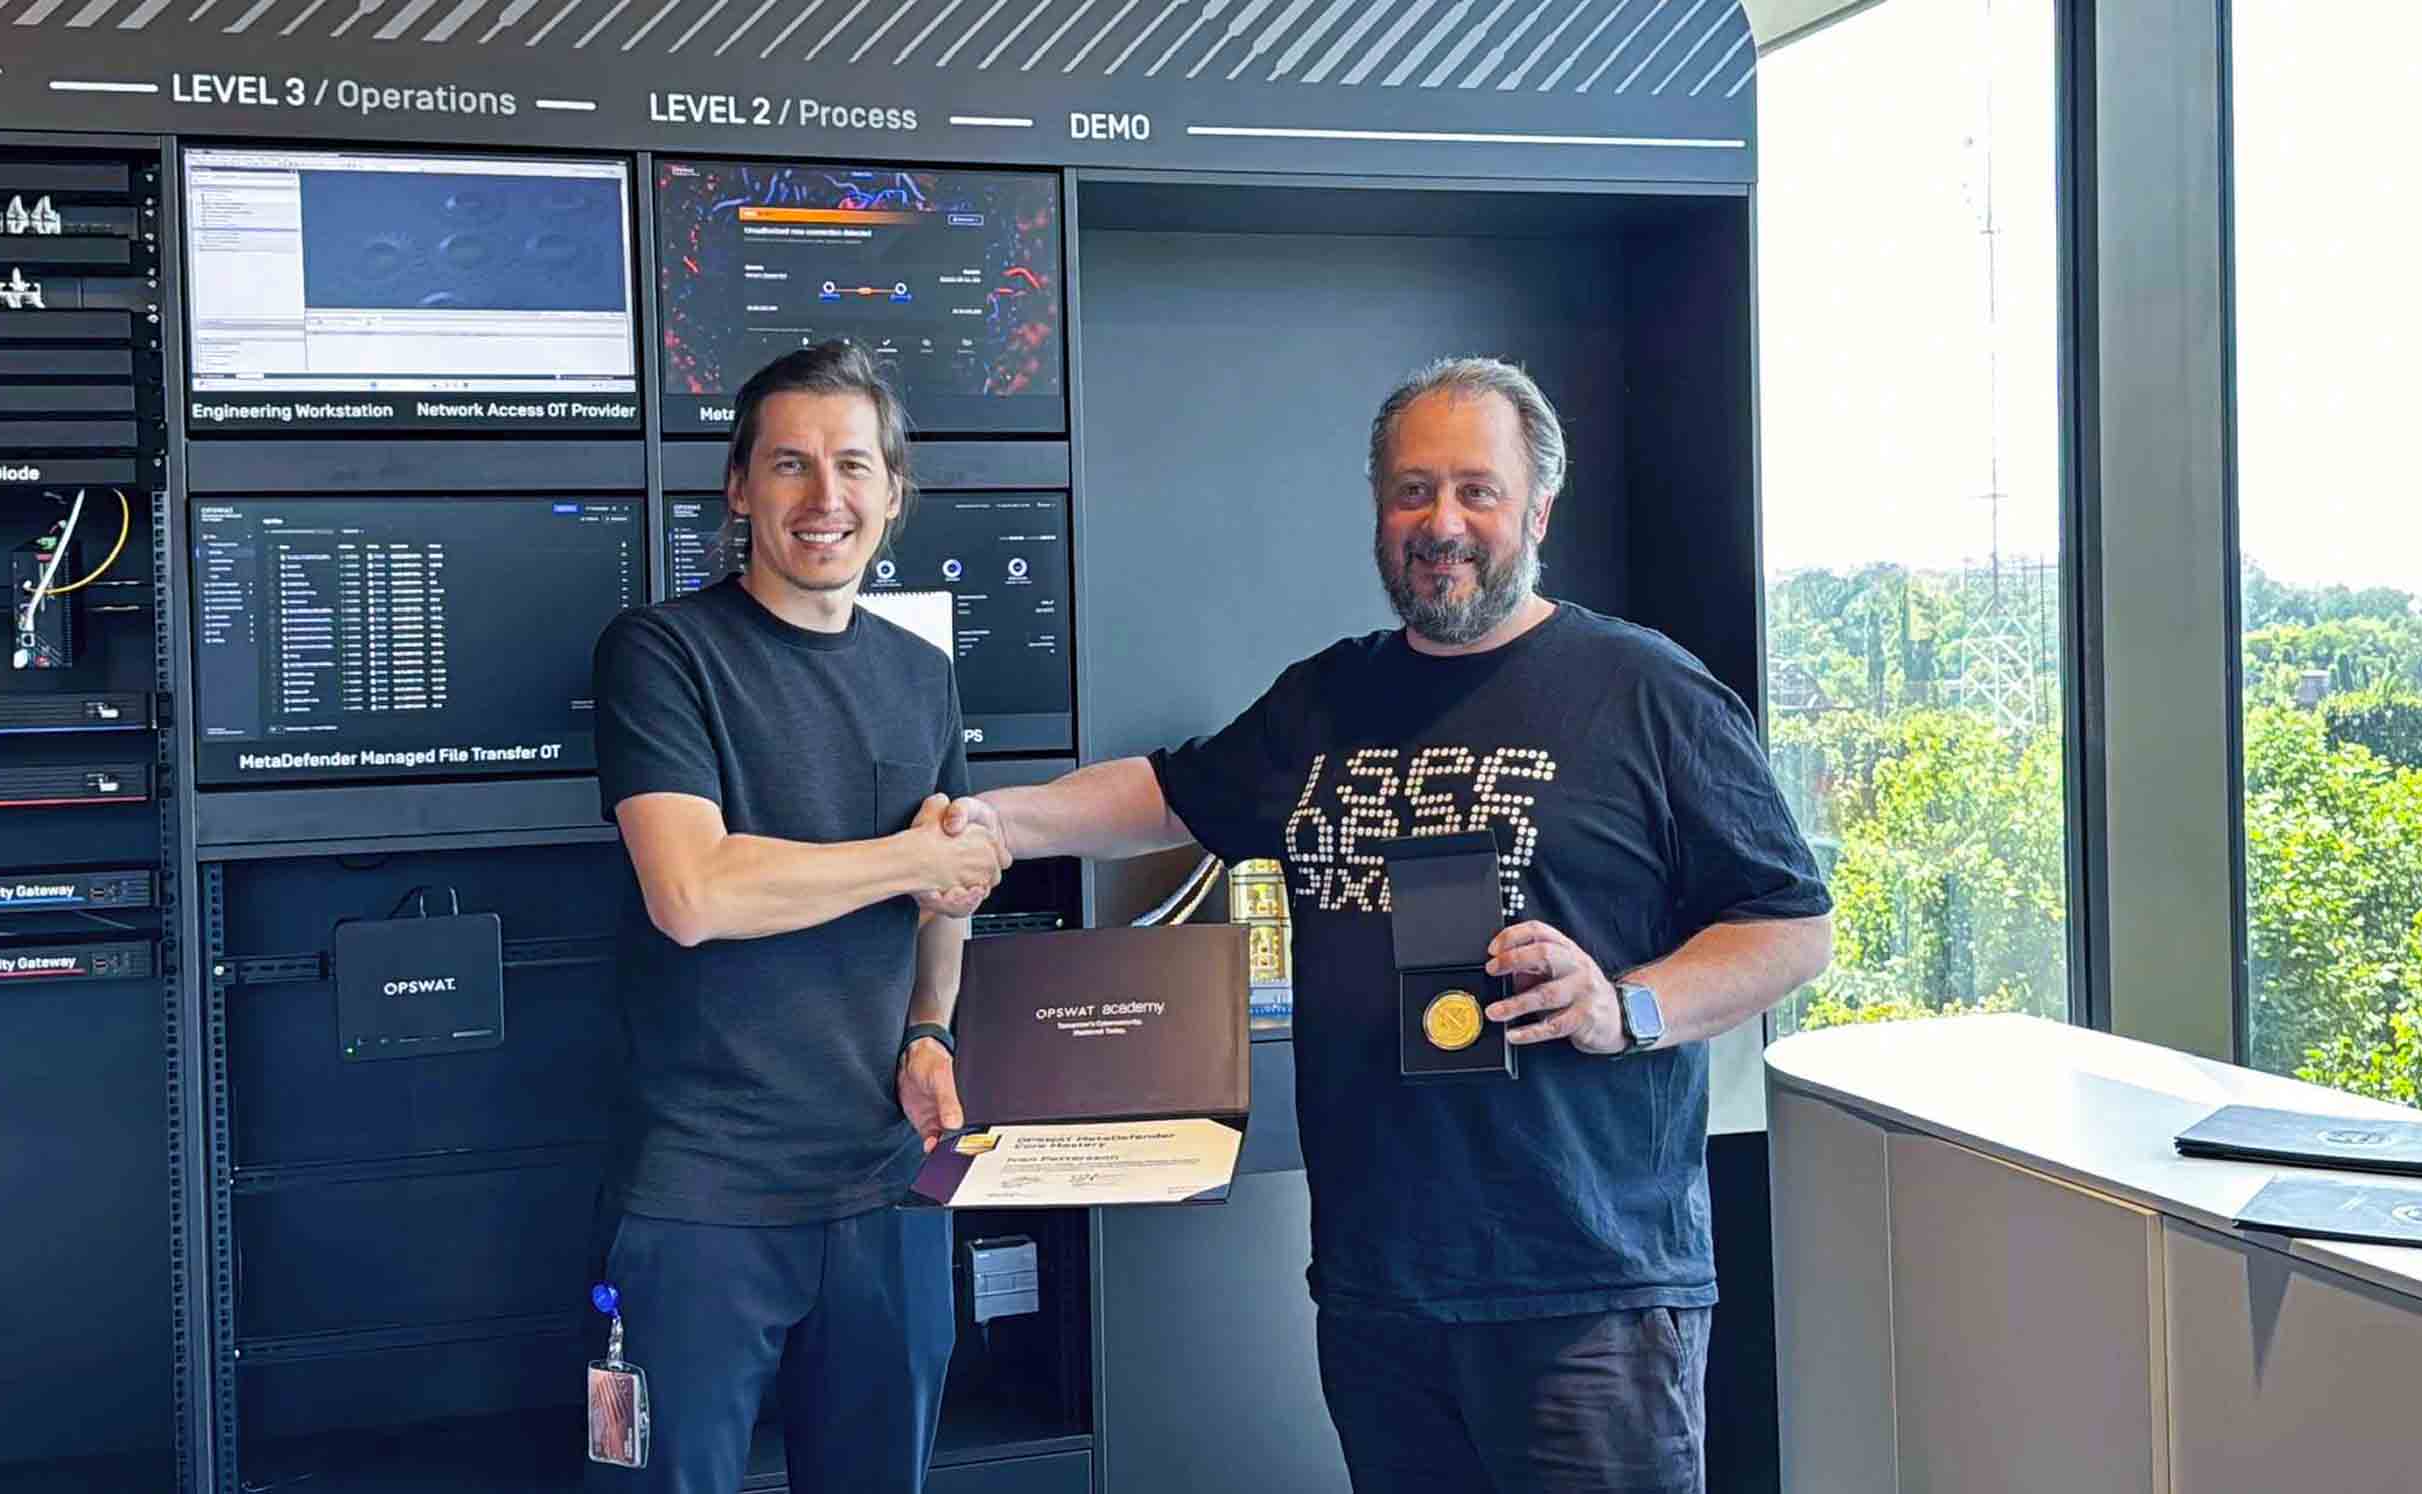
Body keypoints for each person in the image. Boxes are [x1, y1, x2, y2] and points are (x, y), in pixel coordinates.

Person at [954, 357, 1833, 1493]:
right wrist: (988, 823)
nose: (1442, 523)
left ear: (1537, 509)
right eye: (1412, 491)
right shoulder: (1326, 698)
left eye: (1476, 489)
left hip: (1586, 1293)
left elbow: (1791, 925)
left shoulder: (1646, 692)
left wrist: (1628, 1006)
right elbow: (1170, 795)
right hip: (1380, 1290)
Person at [586, 340, 1008, 1494]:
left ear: (892, 493)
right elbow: (693, 893)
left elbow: (943, 892)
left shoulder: (921, 676)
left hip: (889, 1185)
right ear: (738, 486)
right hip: (699, 1197)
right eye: (790, 465)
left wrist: (931, 1028)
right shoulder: (661, 653)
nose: (826, 500)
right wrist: (912, 858)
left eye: (854, 467)